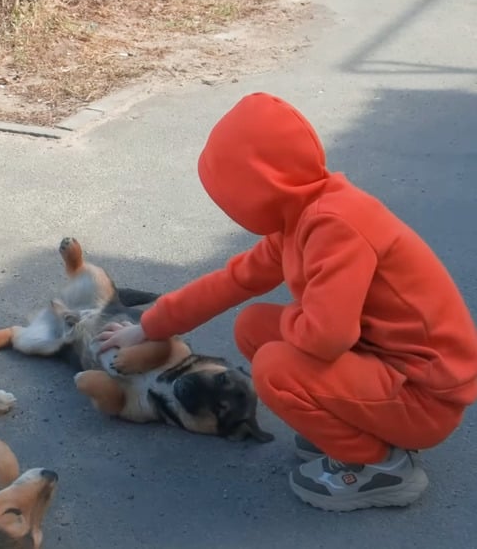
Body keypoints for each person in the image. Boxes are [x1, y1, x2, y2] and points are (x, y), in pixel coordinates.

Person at [97, 92, 477, 512]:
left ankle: (380, 468)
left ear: (258, 185)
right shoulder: (302, 216)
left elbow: (328, 337)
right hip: (388, 370)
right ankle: (355, 426)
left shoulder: (336, 226)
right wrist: (147, 326)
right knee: (254, 325)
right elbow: (232, 281)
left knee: (276, 367)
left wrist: (300, 317)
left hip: (423, 399)